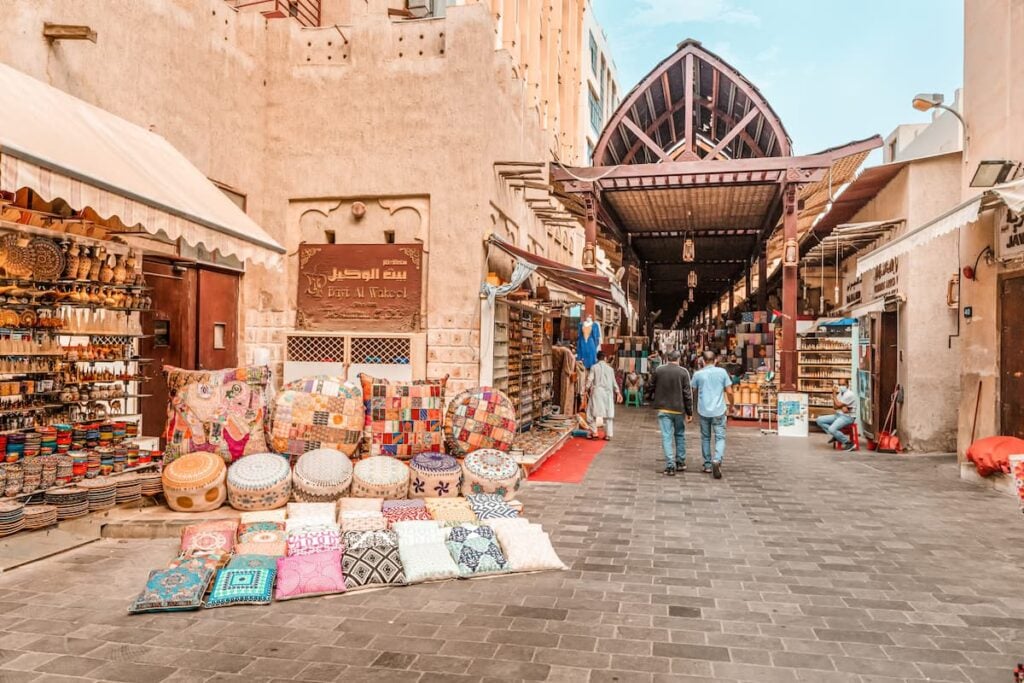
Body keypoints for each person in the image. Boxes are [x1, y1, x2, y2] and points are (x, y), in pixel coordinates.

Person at [691, 350, 734, 479]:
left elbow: (691, 391)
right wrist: (731, 405)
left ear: (702, 361)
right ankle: (717, 459)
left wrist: (689, 410)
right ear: (715, 360)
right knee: (720, 437)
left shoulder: (698, 374)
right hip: (719, 410)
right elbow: (730, 392)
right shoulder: (722, 373)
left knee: (705, 437)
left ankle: (708, 464)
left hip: (703, 410)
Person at [650, 350, 693, 476]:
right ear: (679, 358)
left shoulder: (659, 370)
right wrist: (689, 411)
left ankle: (670, 465)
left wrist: (654, 395)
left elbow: (650, 385)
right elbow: (687, 394)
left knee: (666, 436)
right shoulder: (683, 372)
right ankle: (680, 461)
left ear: (667, 358)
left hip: (663, 408)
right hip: (679, 409)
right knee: (679, 434)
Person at [586, 350, 622, 440]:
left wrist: (585, 389)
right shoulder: (610, 369)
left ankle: (594, 433)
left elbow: (590, 380)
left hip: (597, 393)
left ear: (597, 358)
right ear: (605, 358)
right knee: (609, 415)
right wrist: (618, 392)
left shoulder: (594, 367)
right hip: (608, 393)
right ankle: (608, 435)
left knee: (590, 414)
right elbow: (614, 382)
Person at [816, 383, 857, 451]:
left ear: (847, 385)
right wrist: (841, 406)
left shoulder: (850, 394)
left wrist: (834, 395)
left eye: (843, 384)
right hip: (838, 415)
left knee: (832, 429)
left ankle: (849, 443)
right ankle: (836, 435)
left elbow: (838, 404)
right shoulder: (840, 394)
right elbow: (835, 407)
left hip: (847, 417)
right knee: (819, 420)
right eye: (840, 384)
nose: (841, 386)